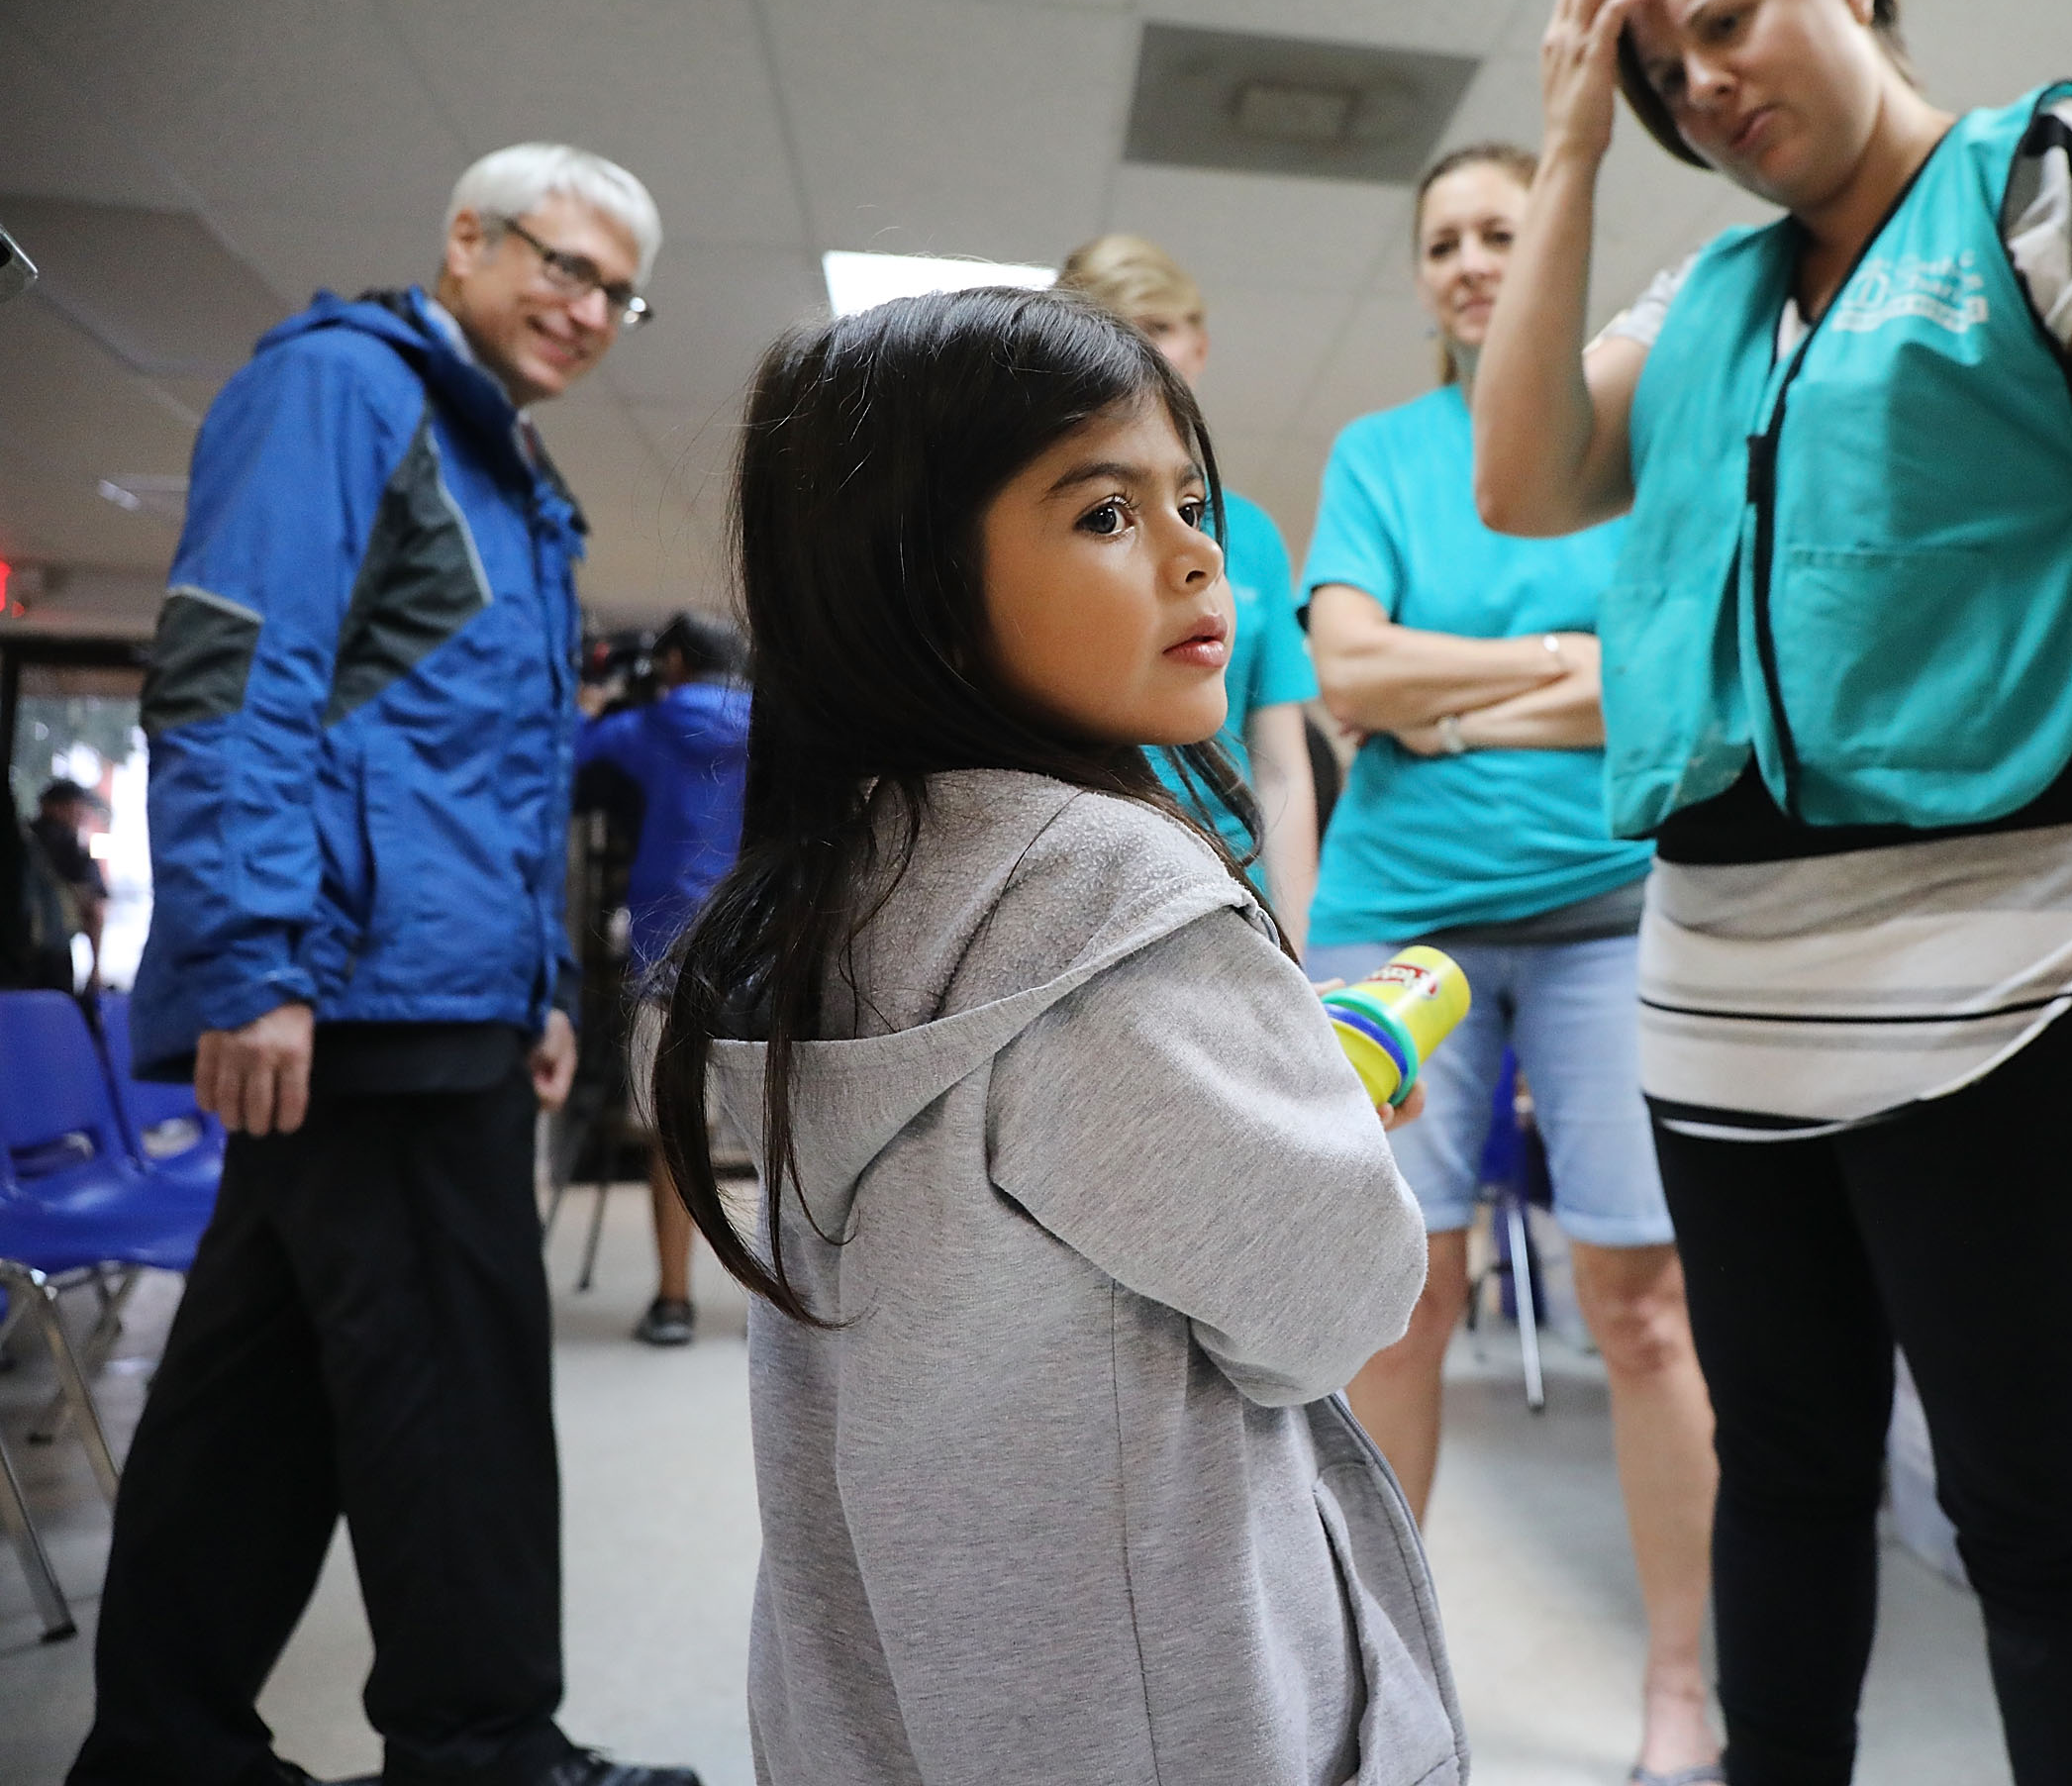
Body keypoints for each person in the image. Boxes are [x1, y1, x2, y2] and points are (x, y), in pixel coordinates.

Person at [1472, 0, 2072, 1786]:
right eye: (1666, 76)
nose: (1707, 89)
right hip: (1721, 989)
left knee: (2040, 1512)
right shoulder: (1705, 300)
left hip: (2007, 961)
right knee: (1784, 1480)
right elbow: (1520, 479)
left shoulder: (2049, 174)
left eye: (1729, 24)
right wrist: (1573, 144)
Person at [643, 285, 1461, 1784]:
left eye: (1192, 500)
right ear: (916, 587)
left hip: (898, 1687)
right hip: (1171, 1713)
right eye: (1104, 514)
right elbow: (1335, 1295)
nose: (1198, 549)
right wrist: (1322, 1119)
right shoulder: (1113, 894)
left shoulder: (836, 890)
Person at [78, 144, 697, 1786]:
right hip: (364, 995)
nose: (589, 308)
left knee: (254, 1399)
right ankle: (482, 1749)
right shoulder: (342, 395)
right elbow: (230, 670)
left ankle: (158, 1747)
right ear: (468, 239)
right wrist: (253, 958)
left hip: (443, 990)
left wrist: (546, 990)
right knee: (458, 1390)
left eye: (619, 291)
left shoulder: (503, 465)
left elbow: (494, 767)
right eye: (563, 264)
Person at [1303, 141, 1724, 1786]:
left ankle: (1678, 1690)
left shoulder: (1639, 452)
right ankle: (1383, 1689)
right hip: (1400, 909)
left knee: (1649, 1311)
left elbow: (1660, 688)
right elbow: (1345, 668)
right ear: (1420, 277)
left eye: (1504, 230)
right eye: (1446, 241)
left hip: (1622, 911)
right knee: (1398, 1309)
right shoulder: (1380, 454)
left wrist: (1452, 696)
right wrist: (1560, 664)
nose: (1475, 260)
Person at [1057, 233, 1324, 943]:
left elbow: (1282, 762)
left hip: (1236, 887)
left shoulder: (1255, 536)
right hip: (1094, 884)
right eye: (1111, 329)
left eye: (1158, 329)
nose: (1137, 355)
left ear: (1198, 348)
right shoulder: (1046, 527)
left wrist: (1294, 944)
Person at [572, 612, 749, 1346]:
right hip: (763, 949)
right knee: (785, 1136)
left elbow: (573, 764)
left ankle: (674, 1302)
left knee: (675, 1137)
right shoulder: (782, 724)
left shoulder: (649, 727)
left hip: (665, 955)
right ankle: (769, 1302)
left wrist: (591, 703)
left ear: (674, 660)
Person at [30, 778, 110, 989]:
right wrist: (95, 969)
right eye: (75, 805)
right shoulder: (71, 850)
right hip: (53, 956)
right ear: (51, 807)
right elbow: (95, 910)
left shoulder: (20, 843)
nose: (81, 813)